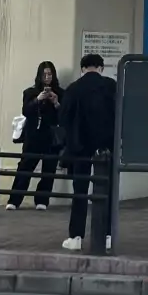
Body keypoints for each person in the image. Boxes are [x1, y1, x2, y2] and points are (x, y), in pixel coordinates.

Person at [59, 52, 116, 252]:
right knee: (106, 191)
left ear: (83, 68)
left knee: (80, 191)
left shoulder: (74, 89)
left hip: (80, 146)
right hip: (107, 148)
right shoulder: (111, 86)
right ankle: (107, 235)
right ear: (101, 68)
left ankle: (76, 237)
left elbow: (64, 119)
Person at [7, 61, 63, 211]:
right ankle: (14, 200)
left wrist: (56, 102)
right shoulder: (30, 92)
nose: (47, 77)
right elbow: (26, 111)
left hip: (51, 137)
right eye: (44, 74)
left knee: (49, 170)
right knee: (25, 167)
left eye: (50, 74)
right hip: (33, 135)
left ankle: (42, 200)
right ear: (39, 75)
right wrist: (38, 99)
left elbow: (63, 116)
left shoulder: (61, 93)